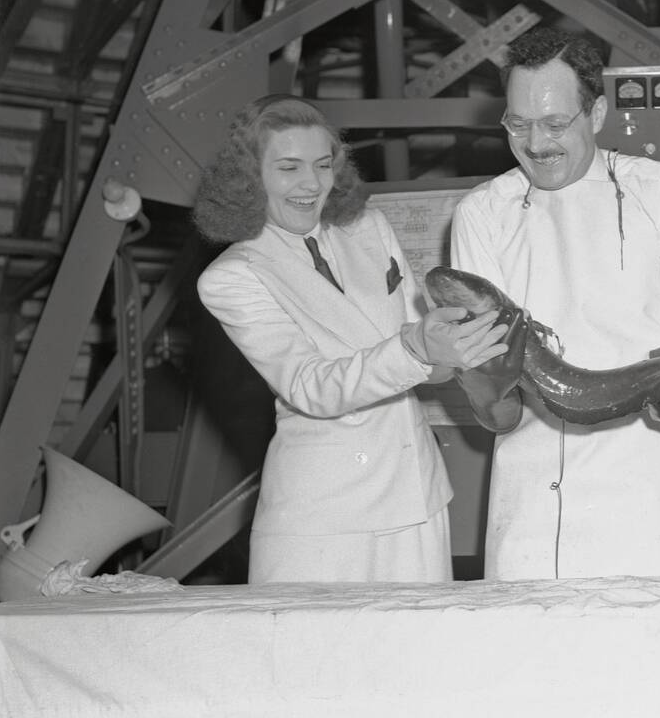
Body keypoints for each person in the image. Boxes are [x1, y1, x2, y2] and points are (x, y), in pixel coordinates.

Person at [193, 94, 508, 583]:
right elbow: (310, 387)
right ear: (249, 176)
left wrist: (460, 349)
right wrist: (416, 347)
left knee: (420, 656)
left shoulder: (369, 226)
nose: (311, 184)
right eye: (288, 167)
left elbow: (425, 354)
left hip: (417, 497)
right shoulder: (231, 277)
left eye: (323, 165)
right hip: (325, 518)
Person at [450, 28, 660, 580]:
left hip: (643, 487)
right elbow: (496, 405)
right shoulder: (481, 213)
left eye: (556, 124)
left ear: (597, 114)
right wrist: (477, 384)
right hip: (529, 493)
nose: (536, 144)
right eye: (518, 124)